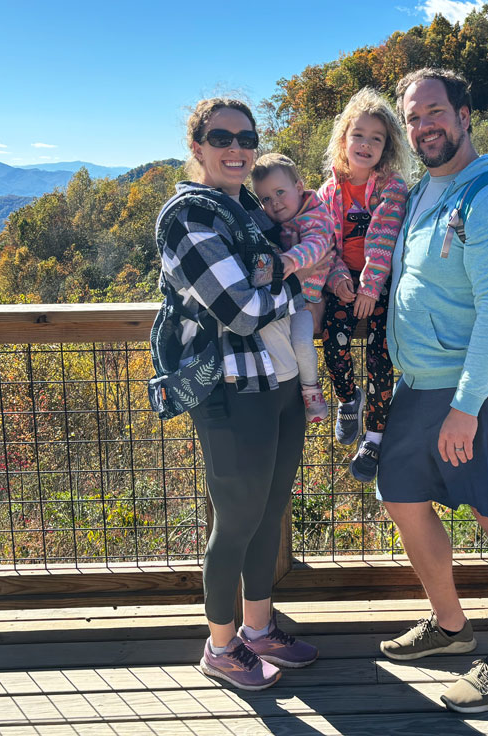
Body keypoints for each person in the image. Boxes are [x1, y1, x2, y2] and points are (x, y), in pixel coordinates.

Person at [377, 68, 488, 713]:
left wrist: (466, 407)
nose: (424, 127)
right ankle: (450, 627)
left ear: (465, 114)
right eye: (413, 118)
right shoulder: (424, 190)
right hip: (421, 382)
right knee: (401, 494)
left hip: (484, 387)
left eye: (435, 112)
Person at [153, 97, 318, 691]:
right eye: (221, 137)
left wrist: (290, 278)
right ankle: (221, 646)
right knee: (237, 519)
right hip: (229, 391)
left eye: (247, 139)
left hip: (277, 382)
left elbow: (262, 287)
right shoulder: (188, 218)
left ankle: (258, 628)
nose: (236, 149)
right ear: (197, 146)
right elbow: (241, 311)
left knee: (270, 511)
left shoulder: (246, 209)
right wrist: (301, 283)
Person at [318, 87, 411, 482]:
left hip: (382, 280)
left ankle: (374, 436)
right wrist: (338, 278)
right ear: (344, 138)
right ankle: (347, 399)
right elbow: (324, 243)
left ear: (387, 146)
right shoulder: (328, 191)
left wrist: (371, 287)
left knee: (380, 354)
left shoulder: (391, 186)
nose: (366, 144)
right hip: (343, 279)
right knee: (332, 338)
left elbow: (384, 238)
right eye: (359, 135)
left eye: (377, 138)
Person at [251, 153, 334, 423]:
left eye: (279, 192)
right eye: (265, 199)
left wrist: (289, 260)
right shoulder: (273, 224)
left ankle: (311, 390)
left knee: (300, 342)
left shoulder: (315, 216)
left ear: (299, 187)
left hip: (306, 300)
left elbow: (317, 245)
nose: (274, 203)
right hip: (284, 302)